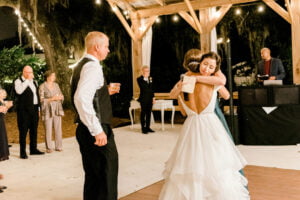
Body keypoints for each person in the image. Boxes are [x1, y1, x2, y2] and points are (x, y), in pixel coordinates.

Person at [159, 52, 249, 200]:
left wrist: (189, 81)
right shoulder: (213, 82)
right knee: (214, 162)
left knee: (192, 163)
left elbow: (174, 97)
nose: (207, 68)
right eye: (205, 64)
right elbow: (226, 95)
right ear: (199, 64)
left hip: (192, 126)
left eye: (211, 66)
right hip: (209, 124)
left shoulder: (186, 82)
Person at [71, 31, 119, 200]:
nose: (108, 50)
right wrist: (97, 130)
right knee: (106, 177)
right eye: (106, 46)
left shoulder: (80, 65)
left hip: (85, 128)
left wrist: (104, 92)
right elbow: (81, 98)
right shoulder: (93, 66)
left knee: (94, 178)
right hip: (96, 129)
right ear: (97, 47)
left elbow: (88, 95)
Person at [14, 65, 44, 159]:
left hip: (34, 109)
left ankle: (33, 149)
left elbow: (36, 96)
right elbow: (19, 91)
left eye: (31, 72)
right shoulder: (18, 81)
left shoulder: (34, 81)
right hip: (24, 111)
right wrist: (27, 80)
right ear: (24, 72)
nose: (31, 74)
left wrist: (38, 109)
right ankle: (22, 152)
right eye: (29, 72)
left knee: (34, 130)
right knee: (23, 131)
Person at [39, 71, 64, 153]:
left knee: (58, 128)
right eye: (53, 75)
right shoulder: (42, 86)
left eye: (54, 75)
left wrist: (60, 97)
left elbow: (61, 95)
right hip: (47, 110)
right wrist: (52, 99)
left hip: (57, 108)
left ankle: (58, 146)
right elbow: (41, 100)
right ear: (48, 76)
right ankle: (49, 147)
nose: (54, 77)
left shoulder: (56, 85)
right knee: (48, 129)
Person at [137, 66, 155, 134]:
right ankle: (143, 128)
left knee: (149, 113)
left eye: (148, 71)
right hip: (143, 98)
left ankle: (148, 127)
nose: (147, 72)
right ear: (142, 71)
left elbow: (152, 89)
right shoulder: (139, 79)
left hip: (150, 98)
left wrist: (153, 98)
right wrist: (146, 78)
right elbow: (144, 88)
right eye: (145, 71)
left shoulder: (150, 78)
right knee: (143, 113)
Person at [0, 88, 12, 162]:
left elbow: (4, 111)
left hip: (1, 119)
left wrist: (6, 107)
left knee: (2, 136)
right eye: (2, 93)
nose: (3, 94)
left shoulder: (2, 101)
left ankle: (4, 154)